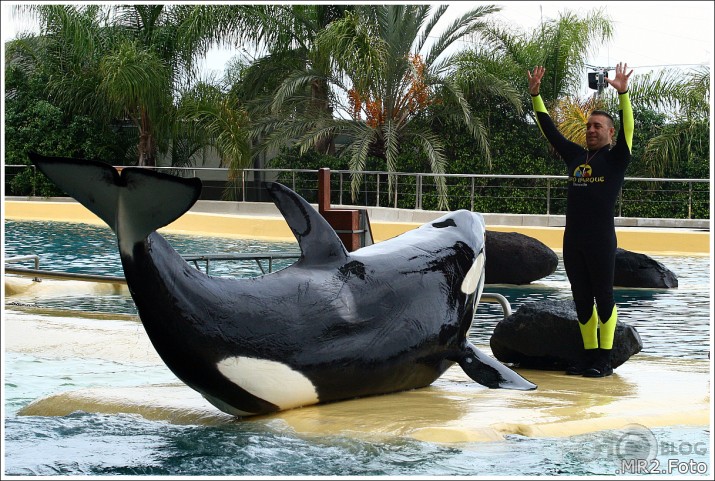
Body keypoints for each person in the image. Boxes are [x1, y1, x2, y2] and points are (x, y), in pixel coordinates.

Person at [527, 62, 634, 377]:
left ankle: (604, 359)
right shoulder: (575, 156)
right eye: (589, 126)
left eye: (598, 126)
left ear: (610, 133)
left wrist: (623, 94)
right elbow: (549, 128)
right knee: (581, 297)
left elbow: (629, 127)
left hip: (601, 240)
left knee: (604, 296)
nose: (591, 130)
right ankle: (588, 356)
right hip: (573, 240)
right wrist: (536, 96)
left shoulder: (616, 159)